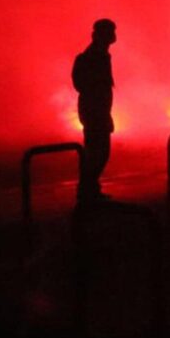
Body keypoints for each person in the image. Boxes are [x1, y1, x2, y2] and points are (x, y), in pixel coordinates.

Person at [72, 18, 117, 204]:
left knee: (97, 151)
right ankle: (87, 191)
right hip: (94, 112)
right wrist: (101, 113)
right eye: (110, 31)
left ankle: (89, 190)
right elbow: (88, 87)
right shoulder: (93, 57)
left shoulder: (100, 55)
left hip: (96, 111)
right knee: (98, 152)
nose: (114, 35)